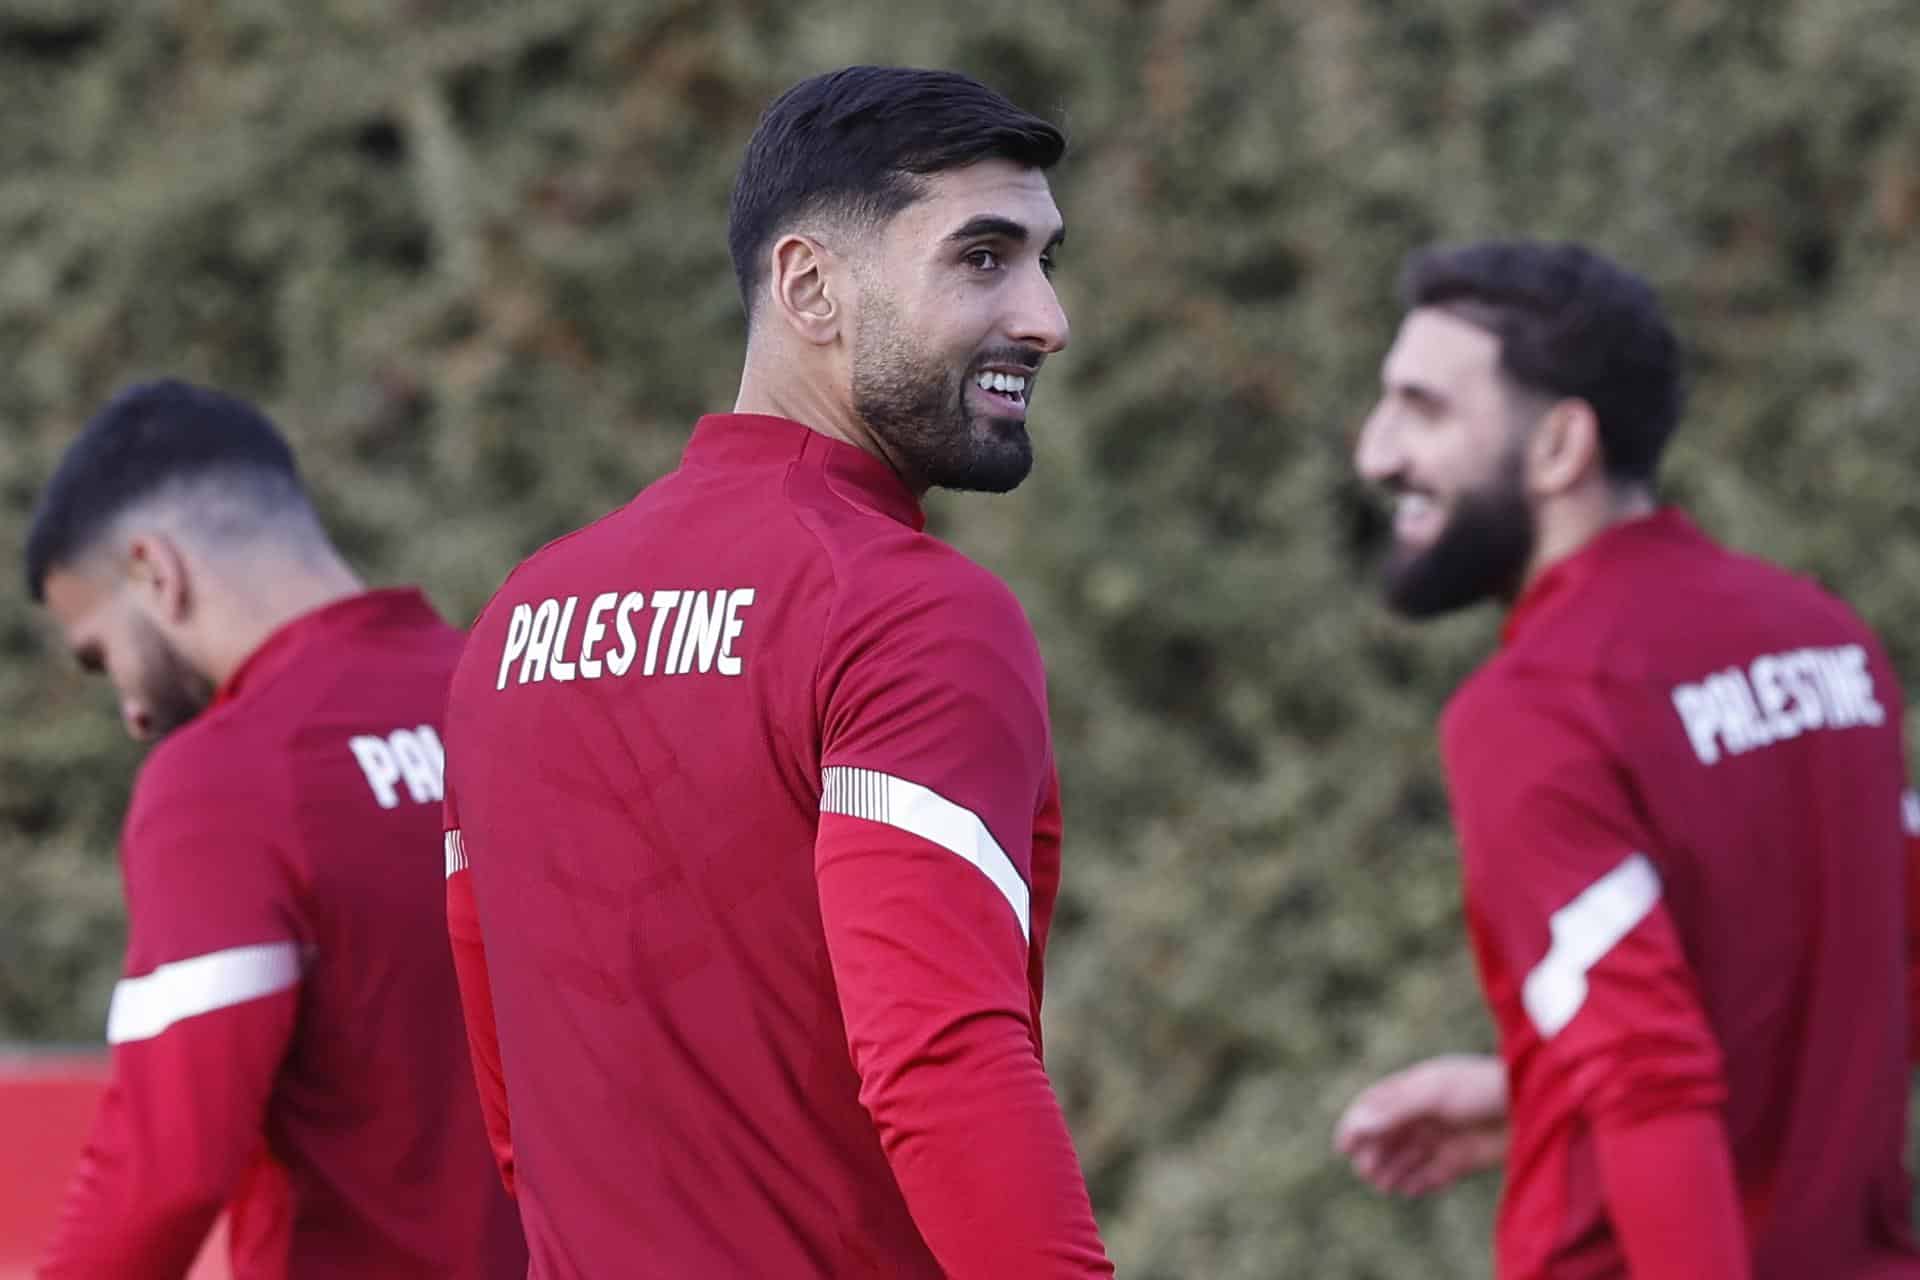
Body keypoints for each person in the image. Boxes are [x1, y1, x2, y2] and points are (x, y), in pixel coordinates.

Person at [440, 65, 1112, 1277]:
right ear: (810, 286)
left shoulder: (514, 620)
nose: (1046, 317)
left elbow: (511, 1103)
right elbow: (941, 1061)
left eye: (1044, 260)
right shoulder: (910, 613)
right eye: (982, 257)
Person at [1333, 240, 1920, 1279]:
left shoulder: (1532, 710)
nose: (1375, 451)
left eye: (1423, 408)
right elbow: (1861, 984)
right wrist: (1533, 1089)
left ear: (1561, 446)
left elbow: (1653, 1082)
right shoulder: (1827, 639)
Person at [25, 380, 526, 1278]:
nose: (133, 711)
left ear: (156, 572)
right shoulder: (518, 701)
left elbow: (163, 1170)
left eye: (104, 656)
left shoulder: (226, 776)